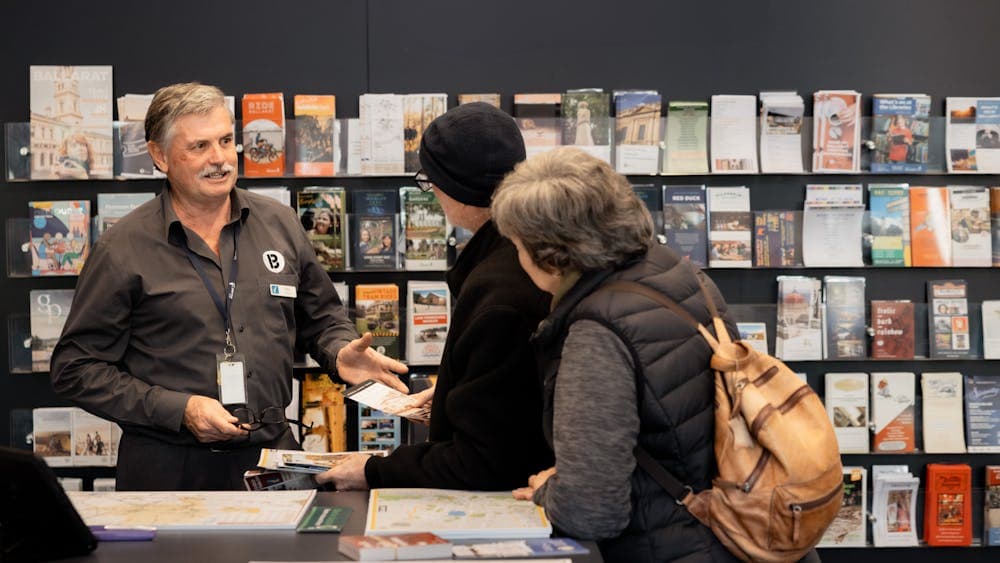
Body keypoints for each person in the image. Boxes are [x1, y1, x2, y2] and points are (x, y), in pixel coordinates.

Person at [50, 82, 408, 491]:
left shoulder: (280, 223)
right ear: (159, 155)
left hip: (273, 461)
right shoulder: (122, 248)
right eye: (199, 146)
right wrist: (179, 409)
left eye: (225, 140)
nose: (220, 159)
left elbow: (322, 318)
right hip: (170, 470)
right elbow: (75, 369)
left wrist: (339, 351)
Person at [494, 147, 739, 562]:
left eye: (517, 247)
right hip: (733, 532)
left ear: (552, 257)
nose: (517, 261)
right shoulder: (681, 277)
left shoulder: (598, 332)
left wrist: (550, 490)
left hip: (669, 547)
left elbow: (591, 513)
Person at [315, 102, 553, 491]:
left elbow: (485, 460)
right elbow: (513, 399)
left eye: (429, 180)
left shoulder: (499, 290)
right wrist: (452, 401)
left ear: (455, 188)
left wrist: (373, 469)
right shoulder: (525, 255)